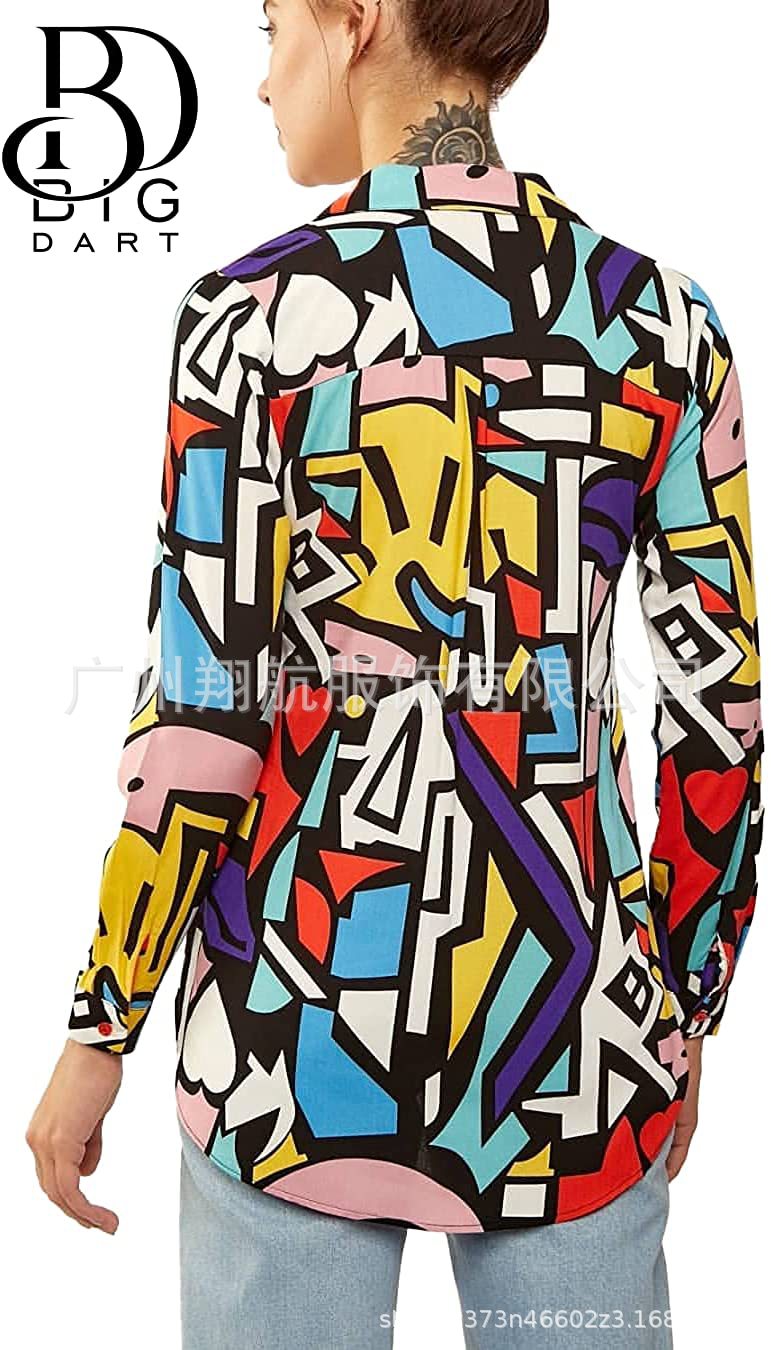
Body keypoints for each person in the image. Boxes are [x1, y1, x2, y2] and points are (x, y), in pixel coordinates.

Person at [26, 2, 764, 1347]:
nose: (259, 84)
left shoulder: (249, 322)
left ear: (354, 19)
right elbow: (723, 712)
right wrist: (682, 999)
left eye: (269, 29)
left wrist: (100, 1028)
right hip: (576, 1046)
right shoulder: (661, 324)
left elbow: (202, 715)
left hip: (286, 1044)